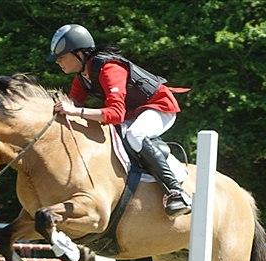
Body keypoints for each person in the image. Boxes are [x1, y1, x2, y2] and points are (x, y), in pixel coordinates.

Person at [48, 24, 192, 216]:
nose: (58, 61)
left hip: (159, 107)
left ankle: (176, 191)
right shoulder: (82, 78)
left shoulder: (109, 68)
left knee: (136, 134)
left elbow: (114, 114)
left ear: (79, 53)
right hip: (133, 114)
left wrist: (75, 111)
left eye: (61, 56)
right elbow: (69, 105)